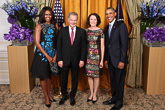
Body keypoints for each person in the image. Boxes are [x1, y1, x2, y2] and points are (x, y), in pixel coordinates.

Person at [31, 6, 58, 107]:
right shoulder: (39, 26)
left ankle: (49, 94)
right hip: (42, 54)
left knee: (49, 75)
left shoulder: (55, 26)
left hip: (52, 53)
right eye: (46, 14)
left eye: (50, 14)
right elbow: (37, 43)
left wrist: (55, 55)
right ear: (43, 15)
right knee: (43, 75)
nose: (48, 16)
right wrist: (47, 56)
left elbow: (56, 42)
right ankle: (46, 96)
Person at [57, 12, 86, 106]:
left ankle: (72, 96)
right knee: (64, 79)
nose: (73, 22)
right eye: (72, 20)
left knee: (75, 79)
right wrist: (59, 59)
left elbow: (84, 47)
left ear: (77, 20)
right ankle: (64, 95)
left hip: (76, 60)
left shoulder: (82, 31)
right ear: (68, 20)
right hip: (64, 60)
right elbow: (59, 46)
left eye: (75, 20)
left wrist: (82, 60)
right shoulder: (62, 31)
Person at [103, 7, 128, 110]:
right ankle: (113, 98)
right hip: (110, 60)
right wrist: (106, 59)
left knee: (119, 81)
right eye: (107, 14)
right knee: (112, 81)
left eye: (110, 13)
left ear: (115, 14)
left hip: (119, 60)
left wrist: (122, 60)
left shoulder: (121, 25)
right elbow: (107, 45)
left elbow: (124, 44)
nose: (108, 15)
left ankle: (119, 102)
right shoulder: (106, 27)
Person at [84, 13, 105, 104]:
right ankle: (91, 93)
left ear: (98, 21)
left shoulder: (101, 31)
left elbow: (103, 46)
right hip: (87, 57)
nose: (93, 21)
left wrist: (102, 60)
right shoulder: (85, 31)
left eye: (95, 19)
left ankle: (95, 94)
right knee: (89, 76)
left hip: (97, 57)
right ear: (89, 21)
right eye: (91, 19)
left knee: (96, 77)